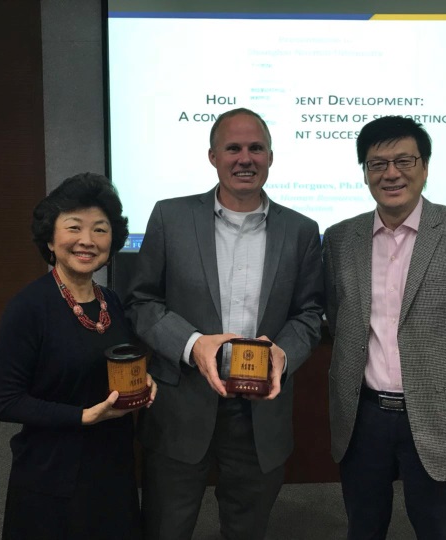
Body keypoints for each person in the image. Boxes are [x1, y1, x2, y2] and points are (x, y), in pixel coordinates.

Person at [124, 108, 324, 540]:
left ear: (271, 157)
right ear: (213, 156)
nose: (245, 158)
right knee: (165, 527)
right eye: (233, 148)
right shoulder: (170, 218)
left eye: (256, 148)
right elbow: (141, 302)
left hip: (261, 410)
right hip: (181, 403)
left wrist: (283, 354)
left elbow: (309, 313)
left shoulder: (302, 230)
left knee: (247, 527)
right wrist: (193, 343)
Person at [323, 116, 446, 540]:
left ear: (425, 167)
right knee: (363, 525)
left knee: (440, 528)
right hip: (363, 415)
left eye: (404, 161)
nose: (391, 173)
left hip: (439, 414)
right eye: (377, 164)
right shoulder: (340, 239)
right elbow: (340, 319)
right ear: (365, 173)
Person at [0, 173, 157, 540]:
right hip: (53, 470)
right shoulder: (28, 308)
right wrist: (83, 416)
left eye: (100, 229)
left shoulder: (111, 301)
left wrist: (141, 379)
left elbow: (110, 364)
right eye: (74, 227)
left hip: (113, 463)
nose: (87, 240)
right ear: (51, 239)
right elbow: (5, 402)